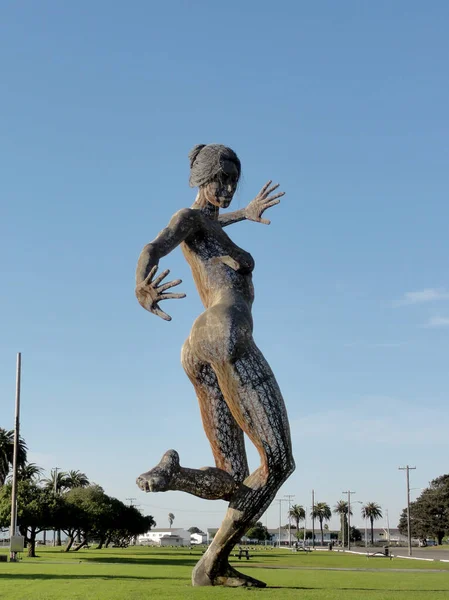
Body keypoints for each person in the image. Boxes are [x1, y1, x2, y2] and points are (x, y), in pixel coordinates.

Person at [135, 144, 295, 587]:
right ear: (198, 179)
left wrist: (244, 212)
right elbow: (157, 243)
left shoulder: (207, 223)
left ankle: (177, 479)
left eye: (232, 182)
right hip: (226, 333)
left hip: (198, 348)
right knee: (279, 462)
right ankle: (214, 563)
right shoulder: (188, 219)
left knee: (235, 476)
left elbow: (212, 220)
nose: (225, 188)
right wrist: (141, 284)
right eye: (219, 180)